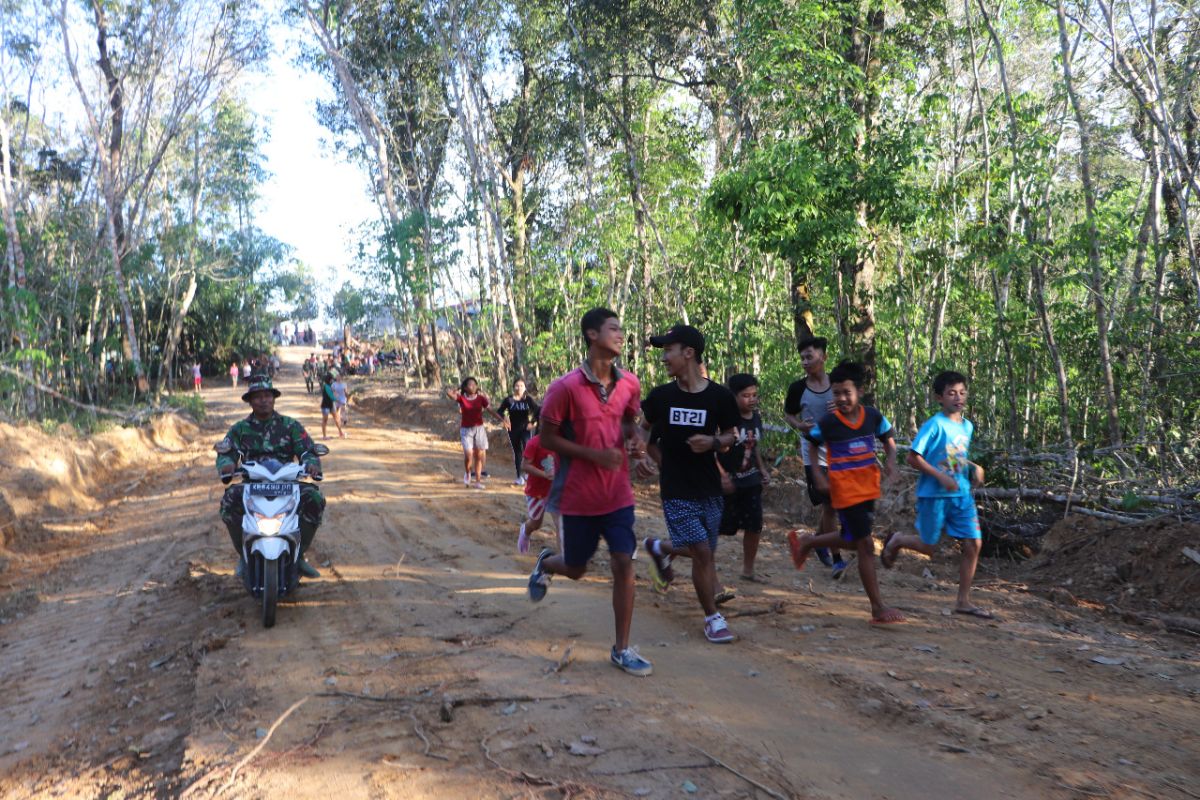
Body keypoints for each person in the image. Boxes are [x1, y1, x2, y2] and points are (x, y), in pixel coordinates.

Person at [526, 307, 653, 677]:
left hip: (617, 495)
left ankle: (622, 649)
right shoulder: (563, 388)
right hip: (577, 497)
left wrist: (639, 450)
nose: (620, 335)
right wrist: (594, 454)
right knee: (577, 568)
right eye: (613, 329)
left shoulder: (630, 383)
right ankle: (547, 561)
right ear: (591, 335)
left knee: (623, 563)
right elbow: (546, 438)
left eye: (621, 329)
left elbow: (630, 424)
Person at [639, 324, 741, 644]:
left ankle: (659, 549)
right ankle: (713, 617)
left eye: (668, 350)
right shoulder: (660, 396)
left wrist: (712, 442)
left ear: (689, 353)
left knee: (705, 553)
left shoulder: (720, 397)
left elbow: (731, 436)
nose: (664, 358)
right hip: (676, 489)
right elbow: (643, 429)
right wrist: (643, 455)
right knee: (700, 552)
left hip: (709, 488)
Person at [787, 361, 903, 625]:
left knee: (851, 539)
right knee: (864, 546)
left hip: (868, 489)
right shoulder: (829, 423)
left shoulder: (872, 416)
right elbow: (812, 443)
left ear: (859, 392)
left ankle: (806, 542)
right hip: (844, 490)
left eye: (846, 392)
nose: (841, 398)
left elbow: (888, 437)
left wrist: (891, 461)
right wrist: (817, 475)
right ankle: (877, 608)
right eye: (836, 393)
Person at [880, 371, 992, 618]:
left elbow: (954, 456)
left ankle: (963, 601)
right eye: (952, 393)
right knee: (929, 547)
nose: (958, 397)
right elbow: (912, 457)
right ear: (939, 397)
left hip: (961, 496)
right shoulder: (934, 425)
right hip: (934, 495)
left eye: (962, 392)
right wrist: (940, 477)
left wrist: (974, 467)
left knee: (974, 543)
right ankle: (897, 540)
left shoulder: (967, 426)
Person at [217, 375, 325, 579]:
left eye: (267, 395)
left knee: (314, 499)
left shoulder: (290, 425)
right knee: (229, 501)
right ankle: (243, 555)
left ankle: (299, 555)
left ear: (274, 398)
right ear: (249, 401)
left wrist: (311, 464)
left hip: (287, 484)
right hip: (252, 485)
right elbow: (226, 452)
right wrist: (227, 465)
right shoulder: (239, 429)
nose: (263, 400)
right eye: (257, 397)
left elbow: (307, 450)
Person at [784, 337, 847, 578]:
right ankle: (838, 558)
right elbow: (789, 415)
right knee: (830, 505)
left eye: (809, 356)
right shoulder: (798, 388)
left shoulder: (838, 384)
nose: (805, 362)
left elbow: (853, 407)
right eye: (802, 358)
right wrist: (800, 425)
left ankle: (814, 541)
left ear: (824, 357)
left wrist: (841, 409)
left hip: (839, 450)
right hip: (813, 452)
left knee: (832, 504)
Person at [714, 373, 770, 596]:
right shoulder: (725, 419)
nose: (752, 399)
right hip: (727, 483)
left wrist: (763, 470)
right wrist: (721, 475)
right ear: (734, 397)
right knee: (717, 528)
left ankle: (748, 569)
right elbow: (713, 449)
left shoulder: (755, 418)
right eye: (746, 395)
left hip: (751, 481)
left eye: (754, 395)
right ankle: (676, 553)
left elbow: (754, 446)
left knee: (754, 524)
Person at [446, 377, 504, 488]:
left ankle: (478, 481)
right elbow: (449, 393)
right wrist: (458, 388)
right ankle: (468, 473)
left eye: (474, 385)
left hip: (479, 429)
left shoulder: (481, 398)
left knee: (478, 456)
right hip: (466, 430)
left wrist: (502, 420)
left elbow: (491, 411)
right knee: (469, 455)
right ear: (465, 388)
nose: (472, 386)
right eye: (470, 385)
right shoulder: (462, 398)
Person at [517, 432, 560, 555]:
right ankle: (525, 530)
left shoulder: (563, 443)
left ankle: (564, 558)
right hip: (536, 492)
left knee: (560, 524)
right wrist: (544, 474)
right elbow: (524, 465)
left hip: (555, 491)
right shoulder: (534, 443)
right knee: (536, 523)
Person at [499, 379, 539, 486]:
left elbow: (538, 411)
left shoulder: (528, 400)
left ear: (525, 388)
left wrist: (532, 422)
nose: (519, 388)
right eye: (517, 385)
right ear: (513, 387)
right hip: (513, 429)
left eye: (521, 386)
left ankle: (528, 473)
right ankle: (519, 477)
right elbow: (499, 411)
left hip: (525, 429)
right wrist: (505, 418)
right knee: (517, 452)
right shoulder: (509, 400)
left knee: (527, 448)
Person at [320, 373, 345, 439]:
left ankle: (340, 433)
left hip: (328, 405)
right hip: (327, 405)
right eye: (331, 379)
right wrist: (339, 400)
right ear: (329, 379)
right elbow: (331, 396)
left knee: (335, 419)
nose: (332, 380)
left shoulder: (328, 386)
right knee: (326, 420)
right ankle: (325, 436)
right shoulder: (327, 386)